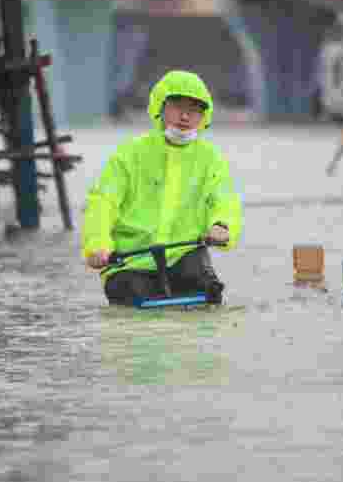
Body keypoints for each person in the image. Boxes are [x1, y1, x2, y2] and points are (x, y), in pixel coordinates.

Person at [81, 70, 243, 306]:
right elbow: (103, 202)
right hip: (131, 260)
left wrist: (222, 225)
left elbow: (224, 200)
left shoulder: (211, 159)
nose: (186, 116)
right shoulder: (129, 154)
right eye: (177, 106)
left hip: (184, 256)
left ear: (204, 116)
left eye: (195, 109)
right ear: (160, 107)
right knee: (134, 301)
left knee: (209, 293)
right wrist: (97, 245)